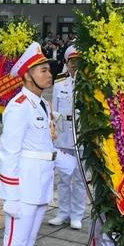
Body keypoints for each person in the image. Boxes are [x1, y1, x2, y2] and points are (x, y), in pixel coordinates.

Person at [0, 42, 75, 246]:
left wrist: (69, 166)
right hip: (23, 188)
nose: (49, 74)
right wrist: (10, 194)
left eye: (49, 70)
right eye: (43, 70)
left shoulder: (41, 103)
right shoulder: (18, 107)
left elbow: (45, 146)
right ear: (28, 75)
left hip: (40, 185)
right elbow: (9, 153)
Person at [48, 45, 85, 229]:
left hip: (80, 133)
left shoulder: (88, 82)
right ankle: (63, 212)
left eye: (78, 61)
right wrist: (53, 128)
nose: (75, 65)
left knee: (79, 177)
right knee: (63, 177)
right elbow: (54, 108)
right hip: (63, 134)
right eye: (72, 62)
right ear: (66, 62)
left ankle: (77, 214)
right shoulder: (60, 81)